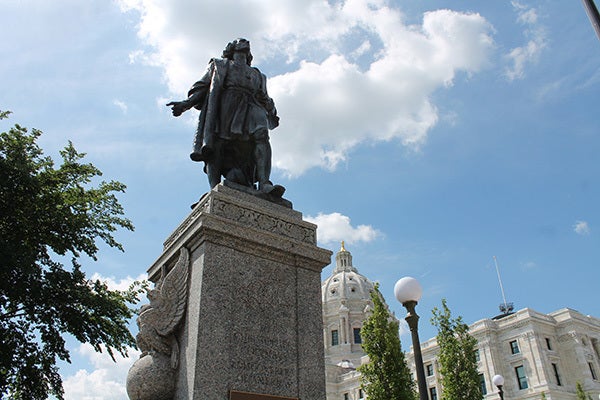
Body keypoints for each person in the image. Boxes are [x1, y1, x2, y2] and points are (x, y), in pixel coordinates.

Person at [167, 38, 282, 196]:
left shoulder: (257, 74)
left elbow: (263, 96)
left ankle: (265, 183)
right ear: (231, 48)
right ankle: (215, 188)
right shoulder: (219, 65)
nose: (244, 41)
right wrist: (185, 104)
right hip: (226, 105)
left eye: (246, 42)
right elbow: (202, 87)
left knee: (262, 135)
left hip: (250, 106)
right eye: (239, 41)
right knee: (217, 144)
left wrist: (272, 110)